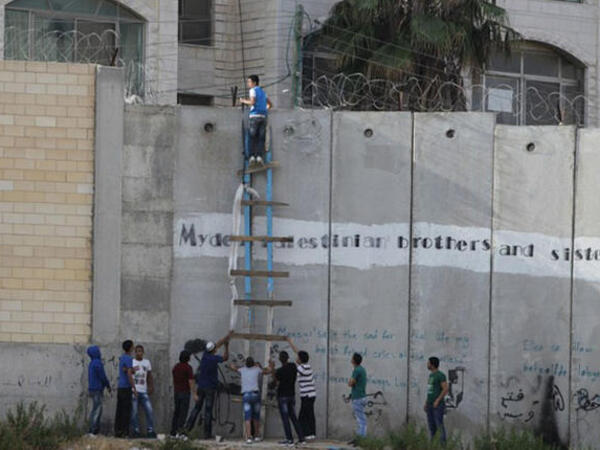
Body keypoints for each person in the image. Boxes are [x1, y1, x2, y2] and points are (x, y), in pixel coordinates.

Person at [186, 332, 233, 438]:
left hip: (201, 387)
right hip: (210, 389)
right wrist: (227, 346)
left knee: (196, 409)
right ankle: (207, 434)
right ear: (213, 350)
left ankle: (187, 430)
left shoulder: (205, 356)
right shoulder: (214, 358)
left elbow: (216, 345)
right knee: (208, 411)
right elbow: (225, 357)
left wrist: (226, 337)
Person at [229, 356, 270, 444]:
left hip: (246, 395)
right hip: (255, 394)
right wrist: (270, 365)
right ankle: (257, 435)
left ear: (246, 364)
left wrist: (231, 363)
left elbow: (233, 367)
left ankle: (248, 437)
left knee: (248, 417)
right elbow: (267, 371)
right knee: (256, 417)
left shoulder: (242, 370)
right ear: (253, 363)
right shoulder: (257, 369)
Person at [268, 351, 305, 446]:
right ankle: (301, 438)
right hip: (291, 395)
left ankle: (289, 439)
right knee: (293, 417)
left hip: (282, 396)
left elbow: (275, 381)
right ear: (288, 358)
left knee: (285, 419)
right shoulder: (293, 366)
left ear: (280, 359)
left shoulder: (280, 371)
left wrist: (272, 368)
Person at [287, 337, 316, 440]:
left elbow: (293, 367)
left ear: (300, 359)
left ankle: (306, 434)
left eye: (297, 357)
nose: (296, 358)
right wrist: (291, 343)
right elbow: (298, 353)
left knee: (302, 416)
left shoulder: (301, 368)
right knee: (309, 414)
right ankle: (311, 433)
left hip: (307, 396)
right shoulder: (307, 366)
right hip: (310, 395)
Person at [239, 75, 272, 166]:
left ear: (254, 82)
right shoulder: (263, 92)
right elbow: (270, 104)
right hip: (263, 116)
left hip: (254, 116)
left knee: (251, 136)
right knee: (261, 138)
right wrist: (264, 109)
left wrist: (243, 101)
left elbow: (252, 102)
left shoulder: (253, 90)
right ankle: (259, 157)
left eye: (249, 82)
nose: (248, 84)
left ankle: (251, 157)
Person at [131, 345, 156, 438]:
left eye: (140, 351)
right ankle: (136, 431)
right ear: (135, 352)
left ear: (143, 352)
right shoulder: (132, 362)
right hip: (134, 391)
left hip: (144, 390)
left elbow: (149, 375)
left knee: (149, 410)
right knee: (134, 412)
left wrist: (151, 386)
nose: (139, 353)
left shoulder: (147, 362)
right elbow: (128, 373)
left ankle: (150, 430)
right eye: (137, 351)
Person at [171, 350, 197, 438]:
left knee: (177, 412)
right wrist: (194, 394)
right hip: (185, 393)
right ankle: (180, 431)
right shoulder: (188, 368)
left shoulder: (176, 367)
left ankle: (173, 432)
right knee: (183, 413)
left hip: (176, 392)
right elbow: (191, 381)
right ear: (188, 358)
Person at [86, 345, 111, 436]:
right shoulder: (97, 363)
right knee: (97, 409)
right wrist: (107, 385)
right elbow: (102, 376)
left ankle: (92, 428)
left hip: (92, 389)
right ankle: (93, 429)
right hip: (97, 389)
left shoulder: (92, 363)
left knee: (95, 409)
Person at [424, 356, 449, 444]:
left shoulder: (440, 375)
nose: (427, 364)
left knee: (439, 426)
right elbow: (430, 390)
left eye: (428, 363)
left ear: (432, 365)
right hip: (430, 404)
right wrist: (426, 402)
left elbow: (445, 389)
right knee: (432, 427)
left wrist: (437, 400)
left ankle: (442, 446)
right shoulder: (431, 375)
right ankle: (434, 445)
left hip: (437, 406)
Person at [115, 339, 136, 438]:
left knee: (120, 410)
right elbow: (128, 373)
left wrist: (132, 370)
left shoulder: (122, 358)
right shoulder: (129, 358)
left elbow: (126, 370)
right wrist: (134, 388)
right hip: (126, 388)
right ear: (130, 348)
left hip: (120, 387)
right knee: (126, 411)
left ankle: (118, 431)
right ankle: (125, 432)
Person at [348, 352, 367, 443]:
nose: (351, 360)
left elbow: (351, 383)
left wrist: (350, 382)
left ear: (354, 360)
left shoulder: (356, 370)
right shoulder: (362, 369)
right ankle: (359, 438)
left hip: (358, 398)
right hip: (361, 396)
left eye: (352, 358)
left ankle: (361, 439)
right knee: (361, 419)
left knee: (361, 420)